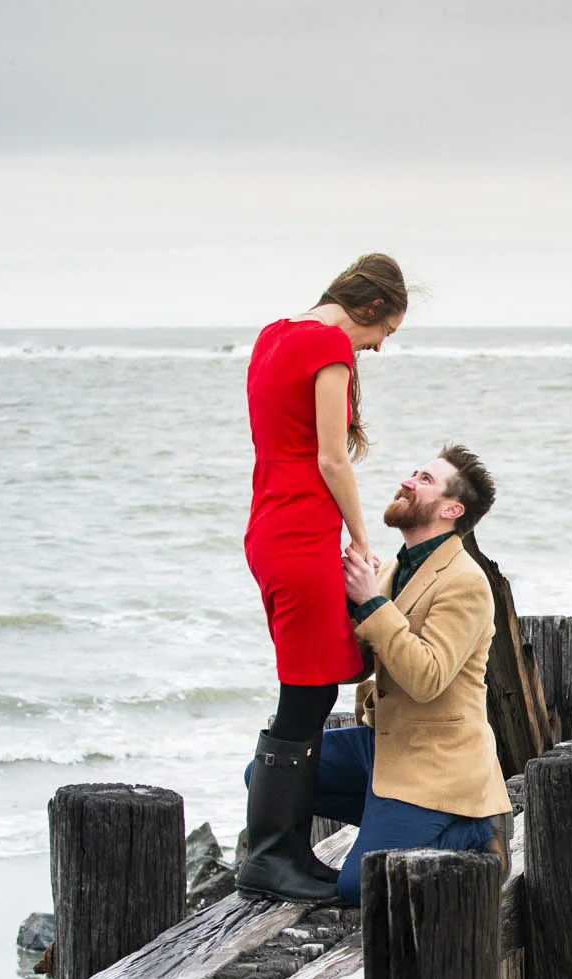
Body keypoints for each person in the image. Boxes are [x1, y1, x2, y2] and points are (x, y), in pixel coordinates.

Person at [237, 254, 408, 902]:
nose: (378, 347)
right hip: (300, 532)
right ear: (370, 308)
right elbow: (331, 458)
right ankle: (271, 857)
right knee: (304, 693)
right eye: (385, 333)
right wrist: (363, 539)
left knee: (308, 689)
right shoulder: (329, 344)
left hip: (271, 525)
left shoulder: (273, 335)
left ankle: (283, 851)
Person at [305, 444, 509, 905]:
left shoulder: (466, 582)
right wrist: (343, 598)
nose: (409, 481)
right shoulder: (397, 565)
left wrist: (372, 604)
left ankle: (472, 831)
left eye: (425, 480)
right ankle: (392, 819)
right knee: (268, 777)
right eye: (414, 472)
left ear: (451, 510)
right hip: (385, 745)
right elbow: (363, 664)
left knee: (361, 887)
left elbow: (426, 677)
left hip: (437, 762)